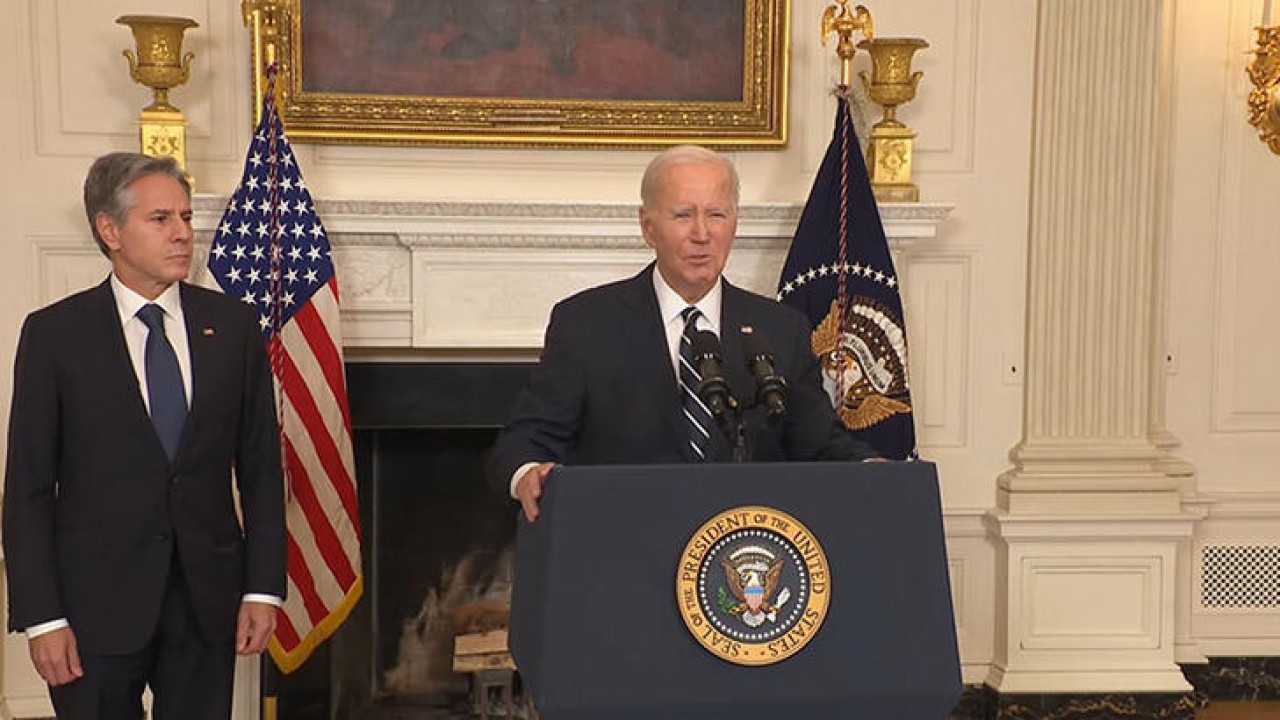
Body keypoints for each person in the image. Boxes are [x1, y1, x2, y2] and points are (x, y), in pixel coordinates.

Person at [2, 153, 287, 720]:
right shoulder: (56, 335)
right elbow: (28, 488)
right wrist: (43, 618)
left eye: (185, 217)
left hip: (206, 605)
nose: (182, 233)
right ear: (110, 231)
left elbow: (261, 468)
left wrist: (262, 589)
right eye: (161, 219)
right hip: (92, 609)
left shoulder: (234, 327)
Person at [489, 145, 879, 522]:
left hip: (741, 549)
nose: (702, 233)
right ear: (648, 227)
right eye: (682, 215)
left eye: (717, 214)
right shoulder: (586, 324)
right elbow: (526, 439)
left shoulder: (780, 328)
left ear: (734, 224)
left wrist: (874, 469)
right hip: (624, 539)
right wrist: (527, 473)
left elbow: (820, 444)